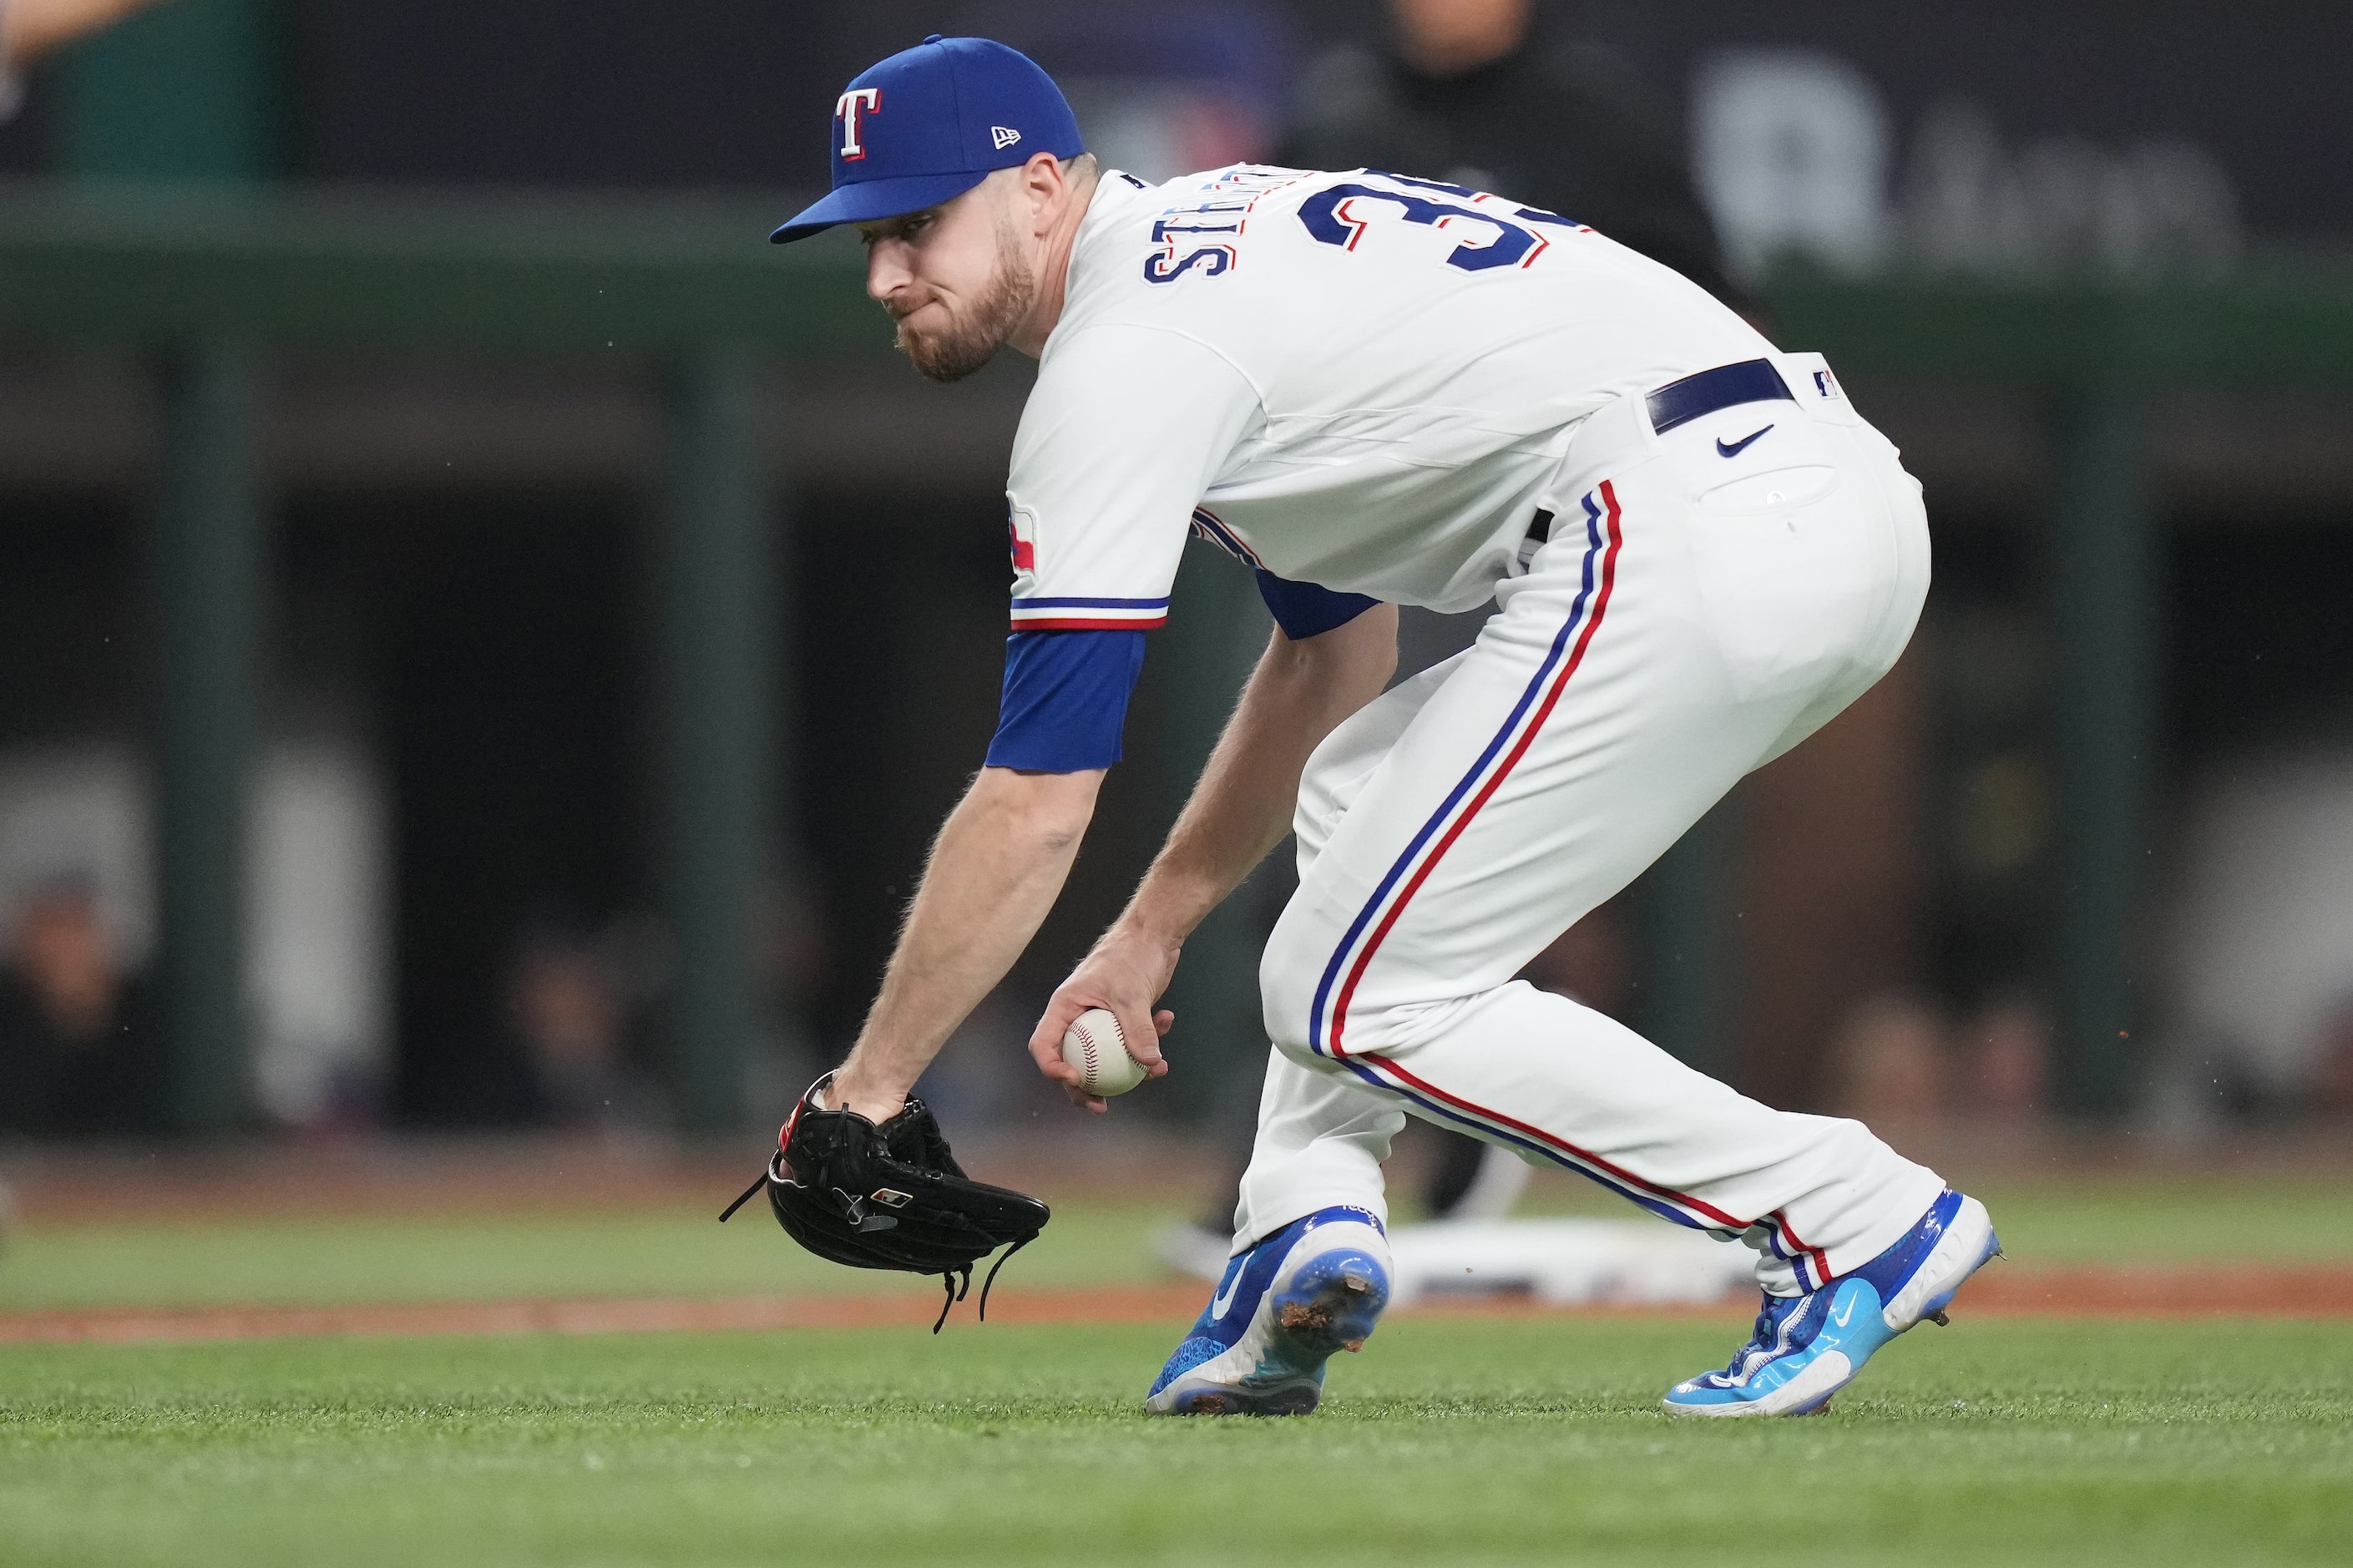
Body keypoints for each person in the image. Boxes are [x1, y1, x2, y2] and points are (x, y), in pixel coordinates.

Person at [770, 35, 1999, 1419]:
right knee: (1357, 790)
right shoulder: (1206, 263)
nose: (885, 273)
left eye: (918, 224)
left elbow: (1038, 795)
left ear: (1042, 188)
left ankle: (1848, 1212)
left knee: (1350, 991)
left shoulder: (1127, 352)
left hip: (1683, 517)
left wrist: (865, 1089)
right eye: (868, 238)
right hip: (1807, 501)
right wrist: (1150, 932)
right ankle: (1299, 1222)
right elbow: (1328, 662)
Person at [1262, 0, 1743, 1236]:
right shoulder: (1336, 115)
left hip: (1581, 521)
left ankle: (1448, 1142)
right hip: (1398, 525)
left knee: (1499, 856)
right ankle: (1318, 1170)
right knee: (1352, 809)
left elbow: (1713, 323)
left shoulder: (1594, 119)